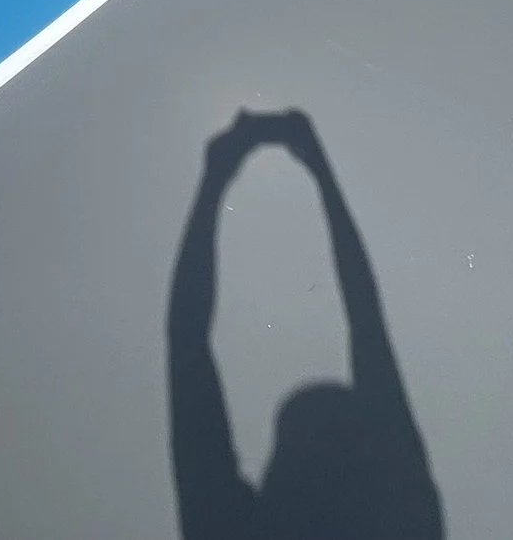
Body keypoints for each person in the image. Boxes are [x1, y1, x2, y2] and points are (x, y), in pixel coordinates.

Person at [166, 109, 444, 539]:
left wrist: (215, 179)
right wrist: (320, 171)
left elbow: (187, 341)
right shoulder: (406, 519)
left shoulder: (231, 529)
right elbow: (368, 325)